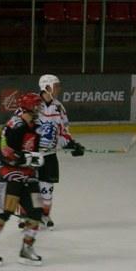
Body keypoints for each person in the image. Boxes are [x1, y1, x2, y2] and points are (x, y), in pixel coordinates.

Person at [0, 92, 44, 267]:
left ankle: (26, 249)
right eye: (37, 105)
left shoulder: (35, 126)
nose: (39, 108)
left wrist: (35, 159)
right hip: (9, 177)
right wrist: (23, 158)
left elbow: (33, 151)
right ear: (28, 106)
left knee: (37, 212)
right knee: (3, 214)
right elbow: (5, 151)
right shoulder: (14, 125)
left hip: (29, 177)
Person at [34, 74, 84, 230]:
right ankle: (30, 215)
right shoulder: (33, 104)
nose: (59, 89)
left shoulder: (59, 107)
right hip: (32, 154)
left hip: (49, 154)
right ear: (47, 87)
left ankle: (44, 215)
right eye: (56, 86)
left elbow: (63, 131)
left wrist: (70, 144)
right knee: (32, 186)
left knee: (47, 189)